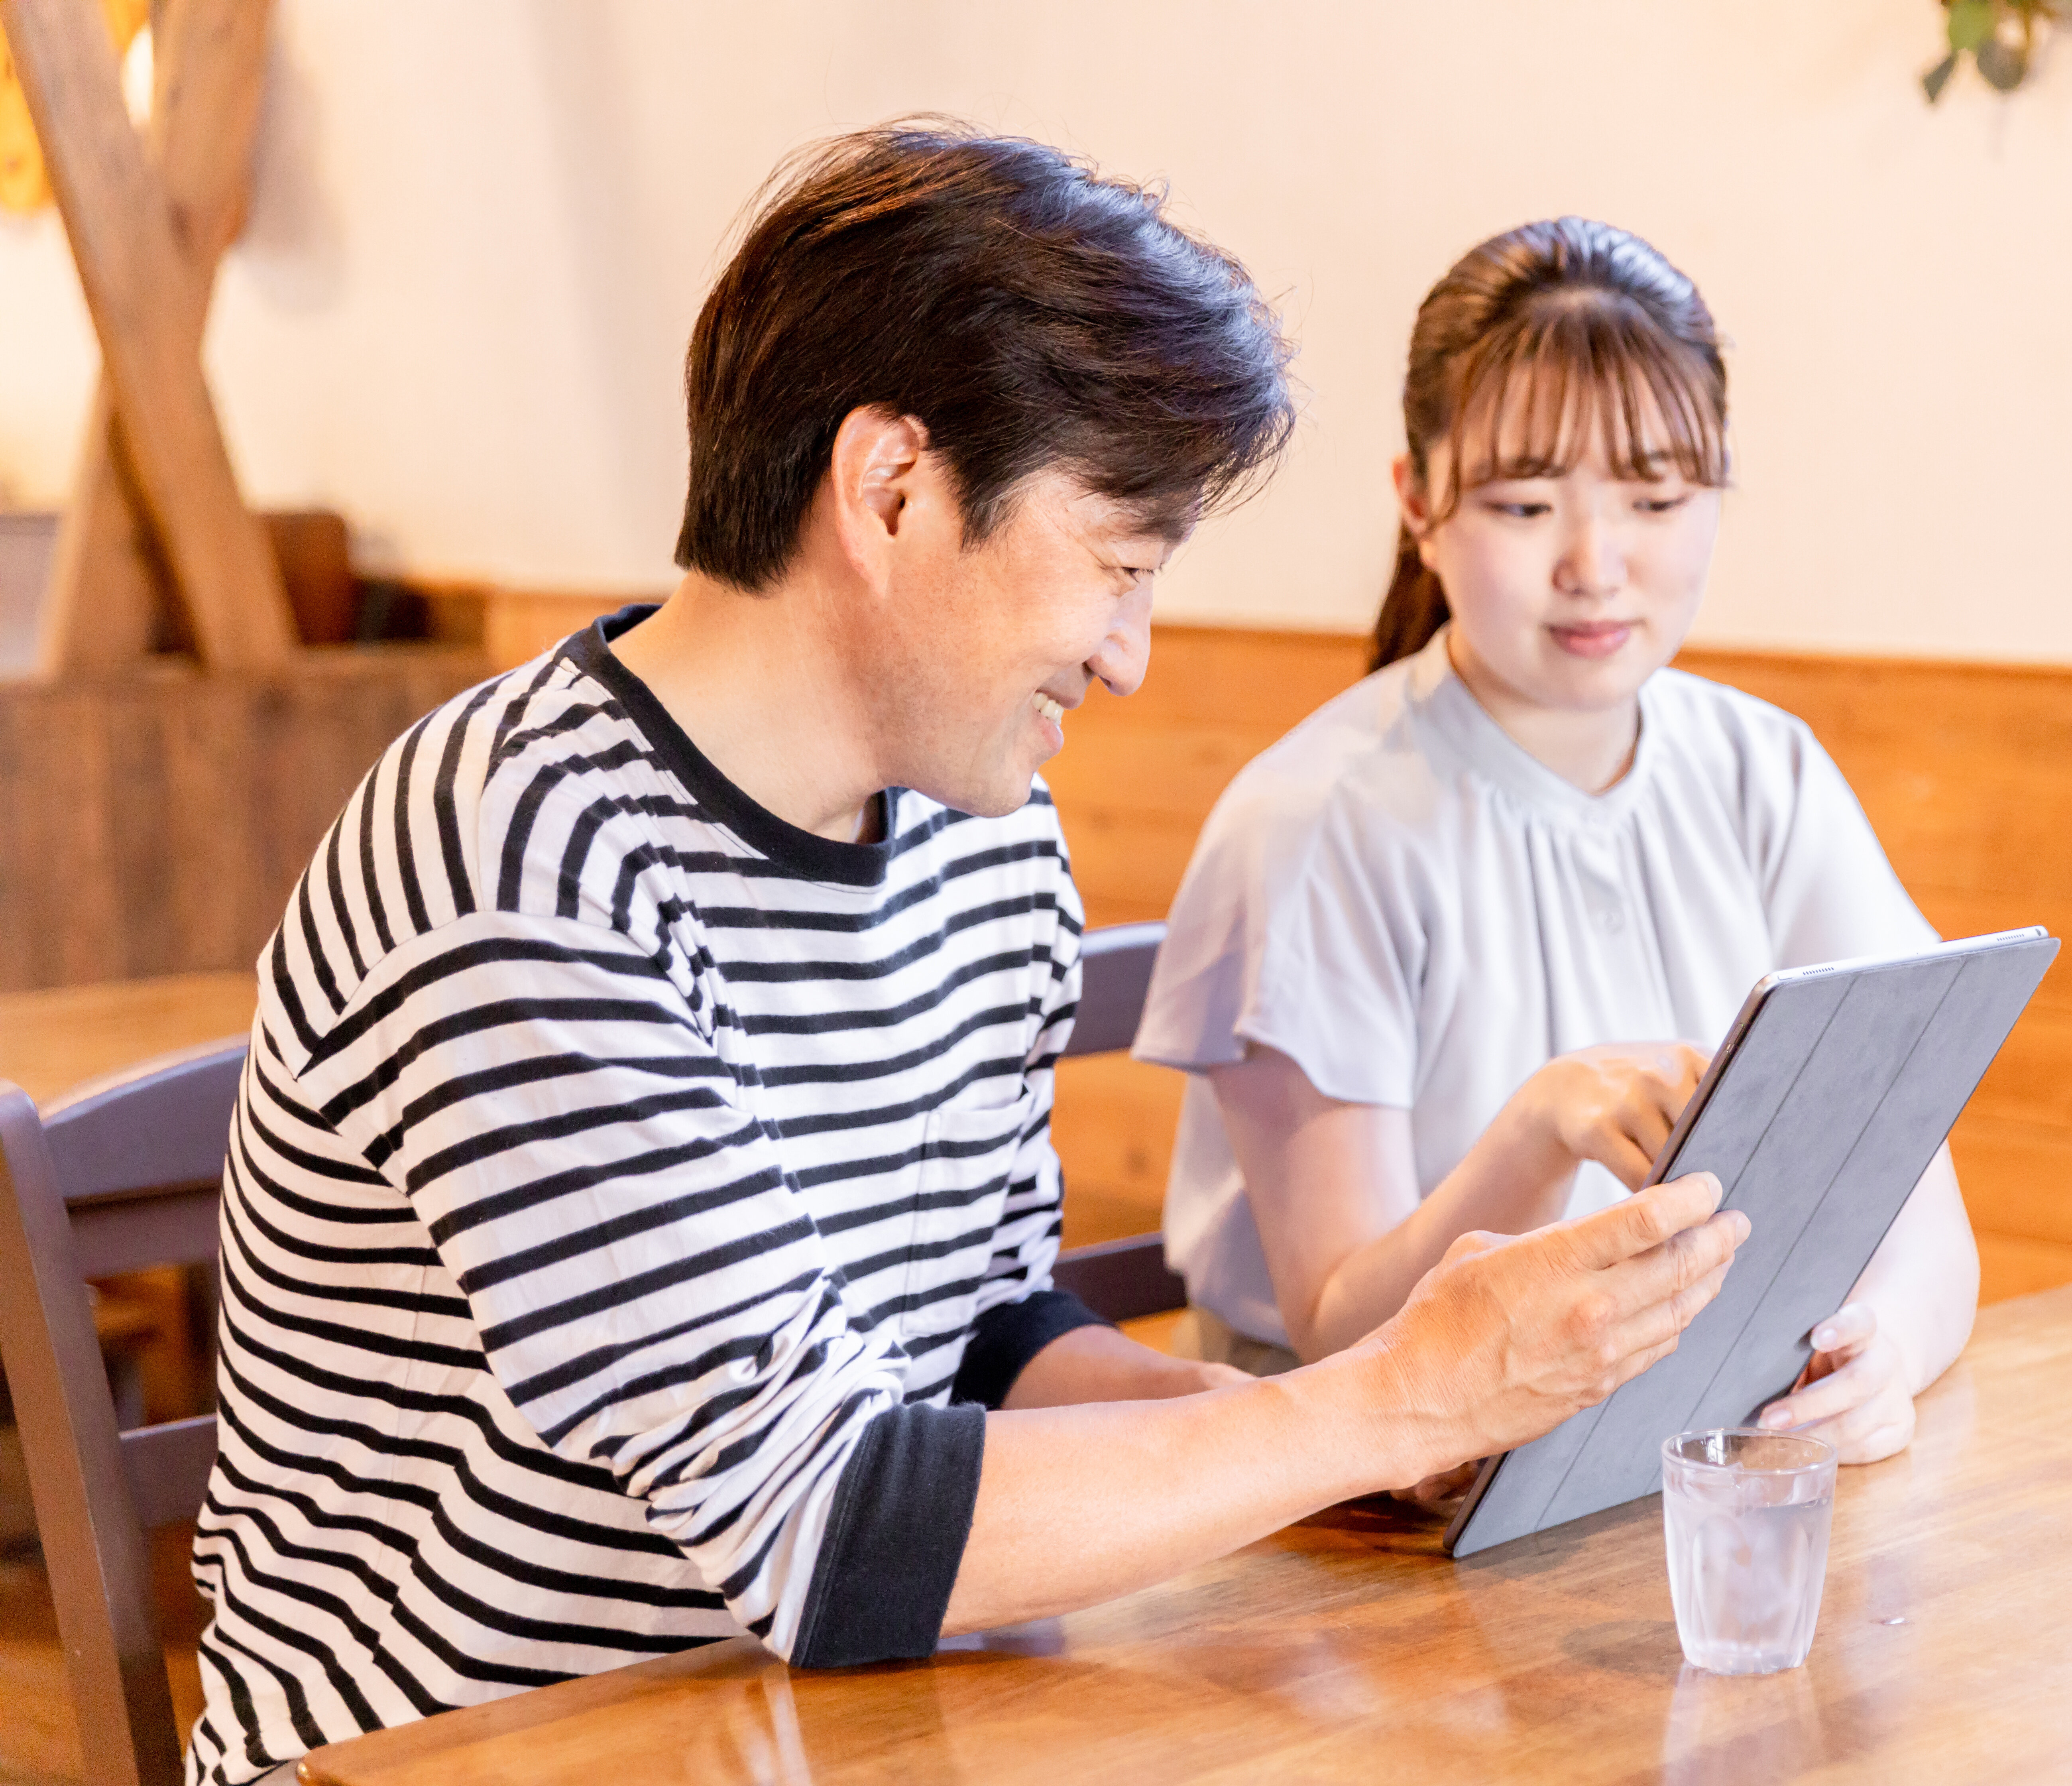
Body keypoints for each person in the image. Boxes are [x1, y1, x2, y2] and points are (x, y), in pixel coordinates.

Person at [186, 132, 1749, 1785]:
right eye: (1118, 567)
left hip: (837, 1724)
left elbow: (985, 1336)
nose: (1131, 658)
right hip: (467, 1751)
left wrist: (1363, 1439)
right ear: (892, 492)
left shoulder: (980, 828)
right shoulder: (522, 850)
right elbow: (824, 1526)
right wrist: (1395, 1403)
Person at [1136, 218, 1977, 1475]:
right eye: (1527, 505)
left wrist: (1886, 1356)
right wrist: (1535, 1135)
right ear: (1419, 503)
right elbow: (1338, 1339)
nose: (1596, 565)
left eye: (1656, 500)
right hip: (1357, 1516)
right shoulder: (1316, 822)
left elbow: (1925, 1214)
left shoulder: (1767, 772)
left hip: (1664, 1470)